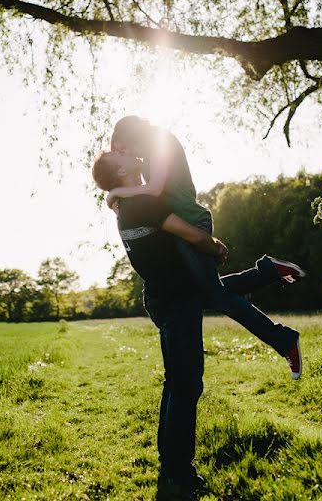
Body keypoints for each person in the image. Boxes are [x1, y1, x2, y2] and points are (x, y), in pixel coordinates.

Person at [92, 150, 302, 499]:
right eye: (122, 156)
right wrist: (215, 246)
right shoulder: (141, 204)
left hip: (174, 293)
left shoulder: (128, 204)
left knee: (181, 373)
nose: (131, 155)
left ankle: (267, 273)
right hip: (173, 301)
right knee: (185, 385)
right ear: (119, 172)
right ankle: (177, 470)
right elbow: (192, 235)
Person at [106, 116, 303, 377]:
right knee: (203, 292)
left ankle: (284, 340)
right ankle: (268, 271)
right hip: (177, 224)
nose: (127, 155)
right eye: (121, 153)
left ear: (131, 138)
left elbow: (153, 190)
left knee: (215, 295)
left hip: (190, 221)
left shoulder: (161, 141)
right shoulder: (148, 151)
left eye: (123, 149)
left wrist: (115, 194)